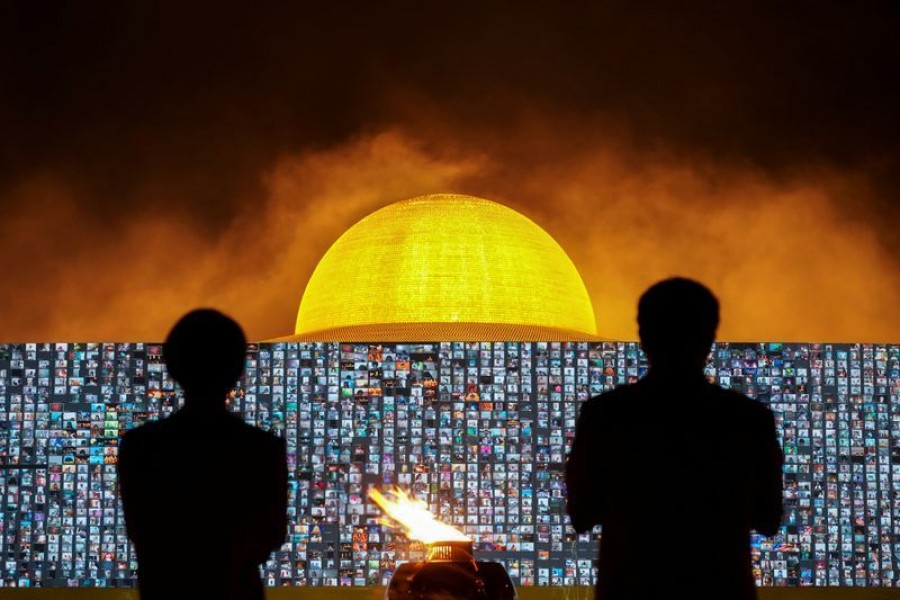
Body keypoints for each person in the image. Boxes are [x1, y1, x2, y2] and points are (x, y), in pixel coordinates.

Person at [565, 278, 783, 600]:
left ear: (643, 336)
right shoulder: (749, 419)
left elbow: (582, 514)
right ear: (709, 338)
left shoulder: (604, 415)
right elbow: (768, 519)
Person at [118, 309, 287, 600]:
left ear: (172, 366)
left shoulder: (141, 447)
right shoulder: (262, 449)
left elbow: (142, 533)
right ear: (237, 369)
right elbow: (271, 535)